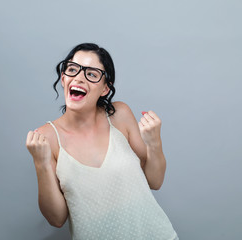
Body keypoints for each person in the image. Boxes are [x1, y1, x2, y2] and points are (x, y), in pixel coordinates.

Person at [25, 43, 179, 240]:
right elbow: (56, 219)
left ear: (105, 88)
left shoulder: (120, 115)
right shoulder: (46, 137)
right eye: (72, 69)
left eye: (92, 74)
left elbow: (155, 181)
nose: (79, 77)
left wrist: (154, 142)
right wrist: (41, 164)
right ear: (63, 79)